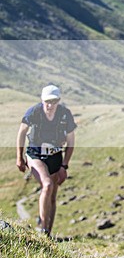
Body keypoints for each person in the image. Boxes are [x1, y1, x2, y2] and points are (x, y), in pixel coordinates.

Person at [16, 85, 77, 237]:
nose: (50, 105)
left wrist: (64, 165)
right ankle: (43, 230)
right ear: (42, 100)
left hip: (56, 157)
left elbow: (71, 141)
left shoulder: (65, 114)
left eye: (54, 101)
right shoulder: (34, 112)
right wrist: (19, 157)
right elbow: (22, 132)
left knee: (52, 196)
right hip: (35, 155)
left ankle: (48, 233)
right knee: (47, 184)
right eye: (47, 102)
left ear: (58, 101)